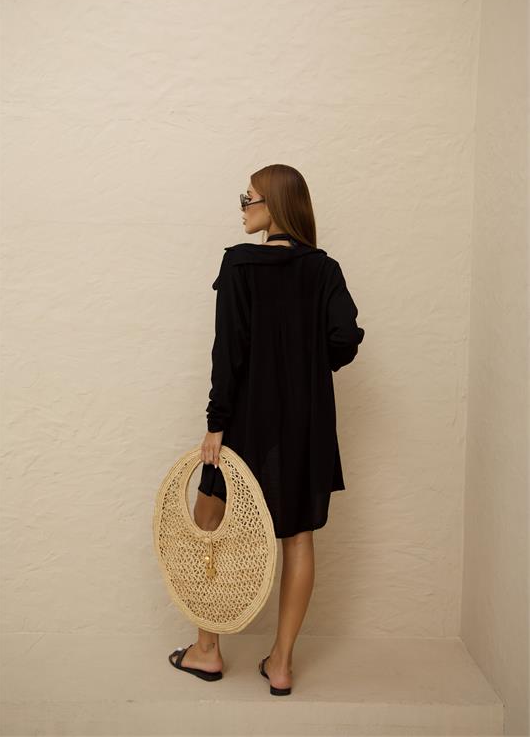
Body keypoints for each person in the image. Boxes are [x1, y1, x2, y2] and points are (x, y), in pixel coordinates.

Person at [169, 164, 365, 694]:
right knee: (297, 536)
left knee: (208, 521)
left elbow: (228, 350)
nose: (243, 206)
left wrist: (216, 424)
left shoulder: (240, 264)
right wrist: (307, 364)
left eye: (249, 197)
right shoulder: (323, 269)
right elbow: (345, 338)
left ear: (275, 205)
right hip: (306, 424)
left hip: (248, 422)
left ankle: (207, 650)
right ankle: (280, 664)